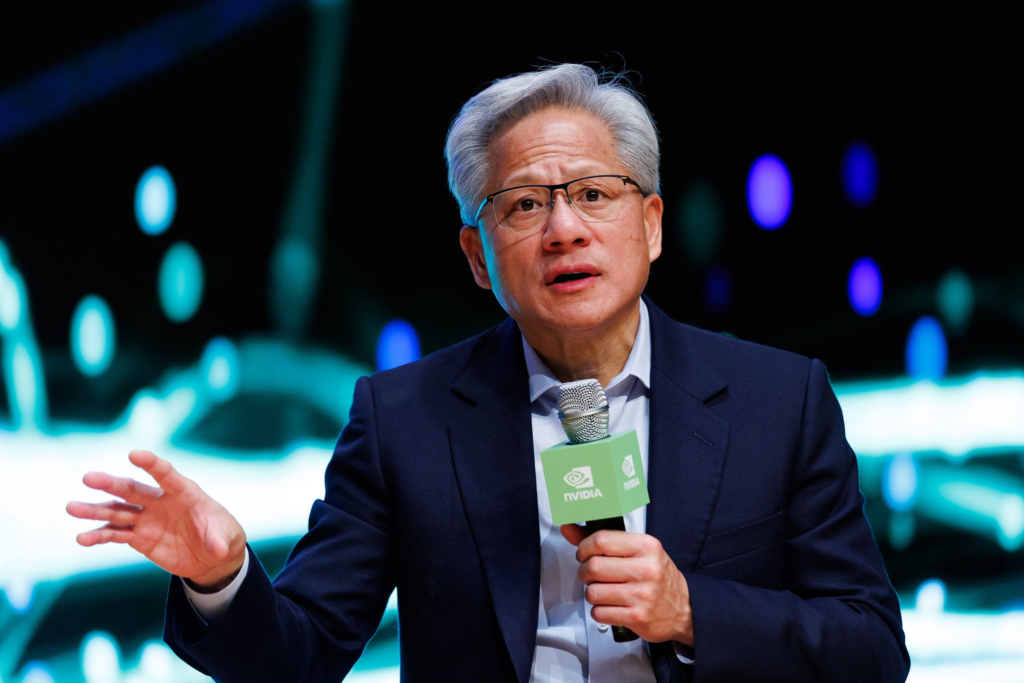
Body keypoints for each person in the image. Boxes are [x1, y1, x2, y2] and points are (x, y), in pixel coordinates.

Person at [67, 64, 910, 682]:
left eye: (594, 193)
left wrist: (691, 610)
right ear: (478, 256)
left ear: (651, 224)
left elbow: (871, 648)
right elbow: (299, 656)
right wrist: (222, 576)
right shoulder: (405, 419)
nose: (564, 229)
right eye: (524, 205)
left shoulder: (780, 400)